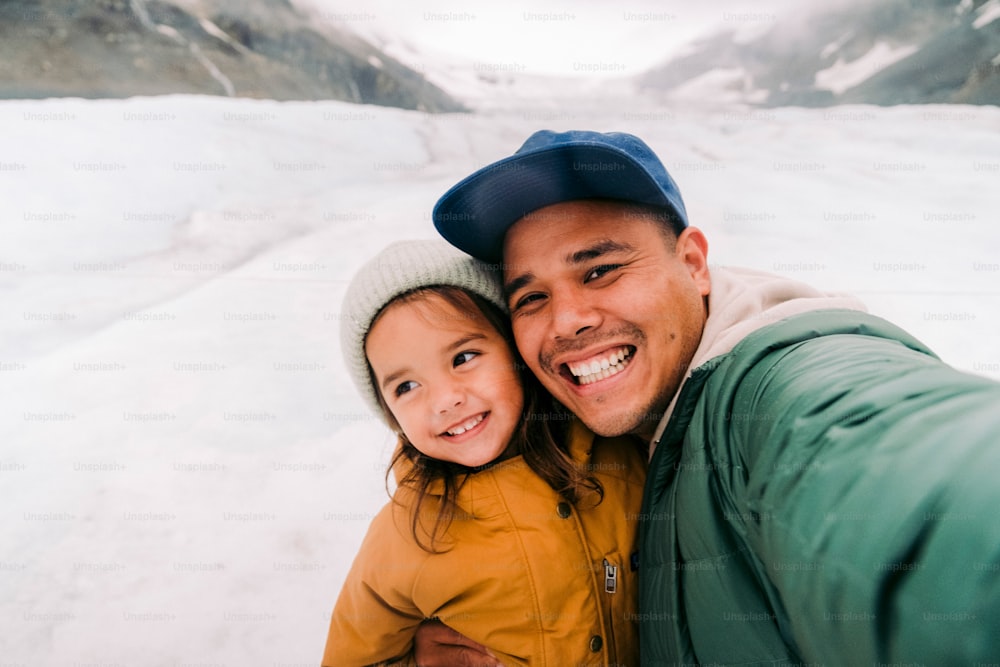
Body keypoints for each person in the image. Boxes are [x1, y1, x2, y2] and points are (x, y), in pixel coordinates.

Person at [412, 130, 1000, 665]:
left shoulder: (775, 392)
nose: (567, 321)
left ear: (693, 263)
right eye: (531, 298)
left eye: (600, 271)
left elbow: (907, 467)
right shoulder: (597, 438)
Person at [322, 239, 647, 666]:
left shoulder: (616, 447)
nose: (444, 400)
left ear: (515, 350)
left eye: (464, 357)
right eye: (406, 386)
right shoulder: (406, 537)